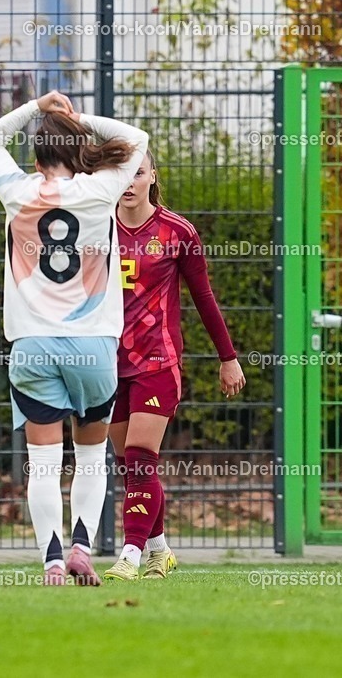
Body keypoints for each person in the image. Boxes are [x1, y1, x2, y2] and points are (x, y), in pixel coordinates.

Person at [0, 91, 149, 585]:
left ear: (36, 158)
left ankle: (52, 560)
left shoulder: (17, 191)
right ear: (78, 151)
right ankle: (82, 546)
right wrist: (75, 119)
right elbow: (135, 138)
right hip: (95, 346)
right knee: (93, 454)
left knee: (44, 461)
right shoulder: (101, 189)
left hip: (33, 345)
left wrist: (40, 108)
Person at [103, 151, 245, 581]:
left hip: (158, 363)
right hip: (106, 364)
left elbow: (203, 296)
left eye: (138, 174)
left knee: (142, 458)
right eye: (121, 175)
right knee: (130, 465)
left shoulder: (176, 231)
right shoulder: (96, 228)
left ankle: (129, 556)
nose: (129, 183)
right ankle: (160, 548)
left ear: (152, 178)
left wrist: (228, 358)